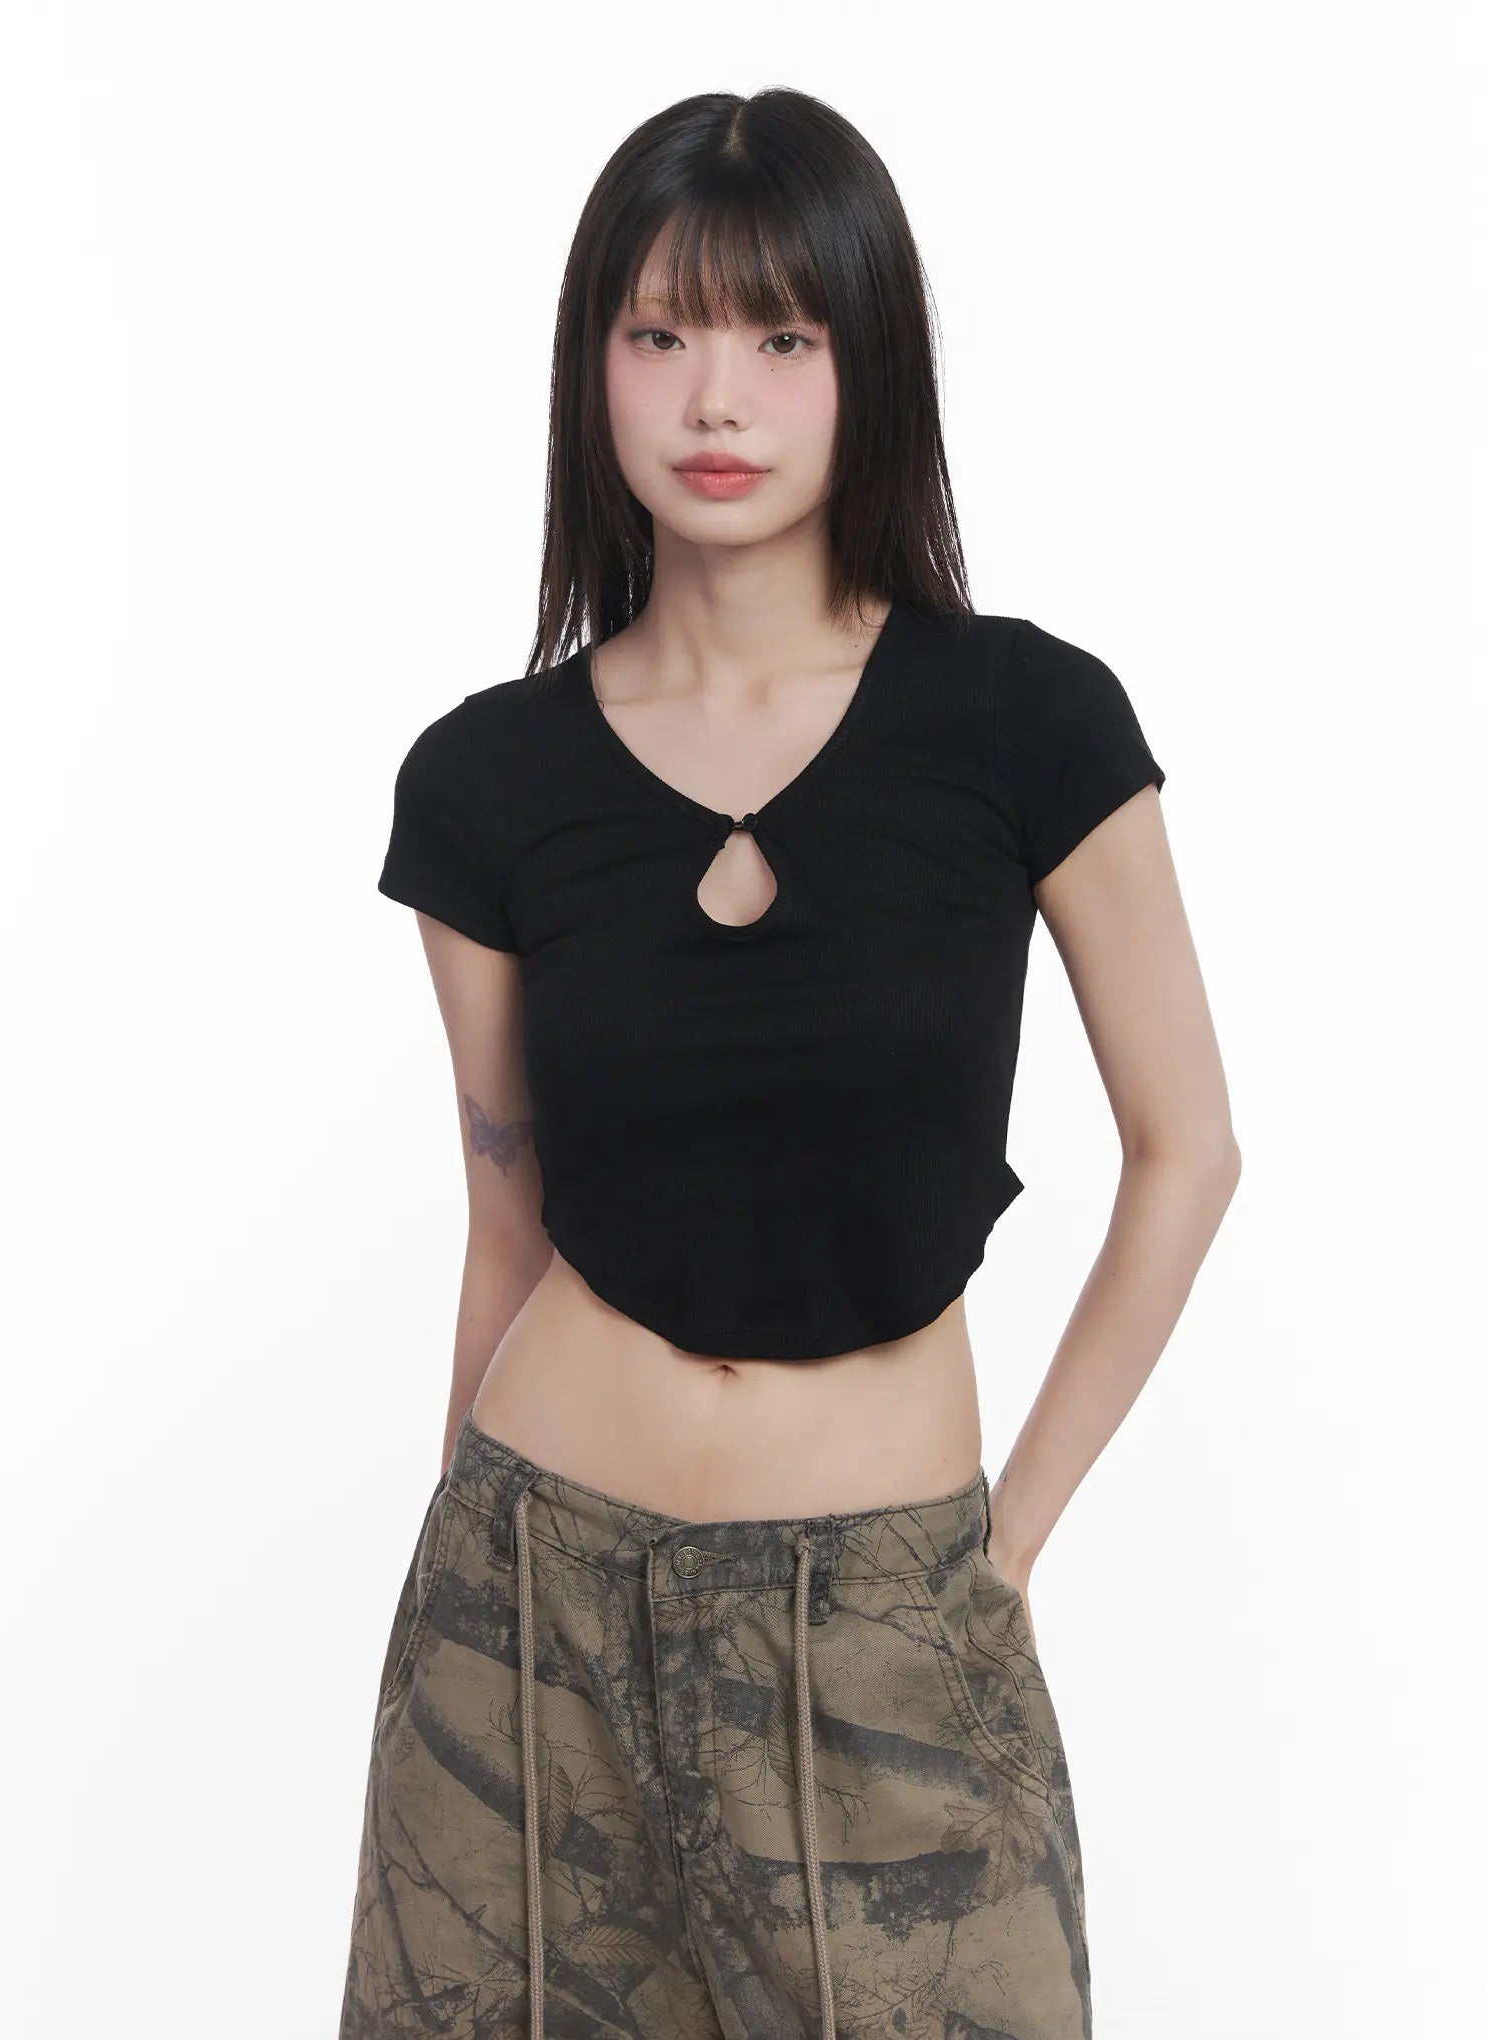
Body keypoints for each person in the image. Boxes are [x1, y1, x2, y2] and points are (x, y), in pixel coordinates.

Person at [338, 86, 1239, 2040]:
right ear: (592, 368)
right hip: (528, 1607)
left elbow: (1190, 1152)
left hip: (897, 1610)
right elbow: (507, 1224)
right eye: (660, 333)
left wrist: (1001, 1550)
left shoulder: (1030, 727)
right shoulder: (487, 780)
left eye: (780, 336)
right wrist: (462, 1580)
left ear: (868, 363)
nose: (714, 398)